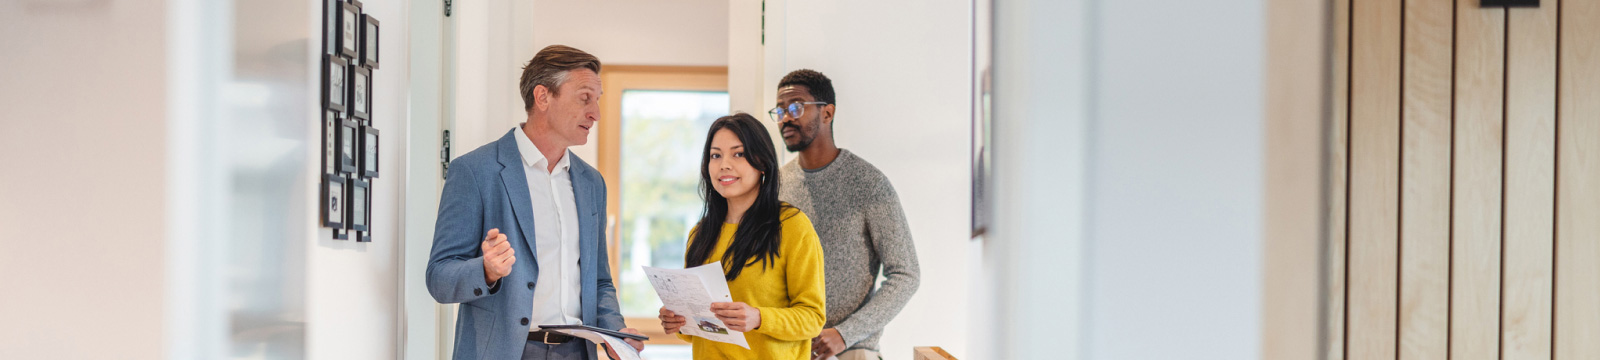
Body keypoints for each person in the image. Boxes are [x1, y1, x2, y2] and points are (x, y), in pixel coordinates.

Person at [426, 45, 643, 360]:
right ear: (543, 97)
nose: (595, 112)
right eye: (585, 98)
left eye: (597, 100)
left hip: (577, 353)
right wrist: (485, 270)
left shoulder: (591, 182)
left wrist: (615, 332)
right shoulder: (475, 171)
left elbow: (598, 280)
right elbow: (439, 278)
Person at [770, 69, 921, 360]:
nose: (785, 118)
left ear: (827, 113)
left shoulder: (868, 183)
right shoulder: (776, 186)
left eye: (795, 107)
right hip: (787, 350)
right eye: (779, 110)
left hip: (851, 352)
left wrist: (845, 333)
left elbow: (906, 274)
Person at [657, 113, 828, 359]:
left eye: (738, 154)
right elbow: (700, 329)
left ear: (762, 163)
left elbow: (813, 319)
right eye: (716, 155)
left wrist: (759, 317)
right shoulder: (700, 234)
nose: (724, 164)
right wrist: (679, 321)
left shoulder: (792, 226)